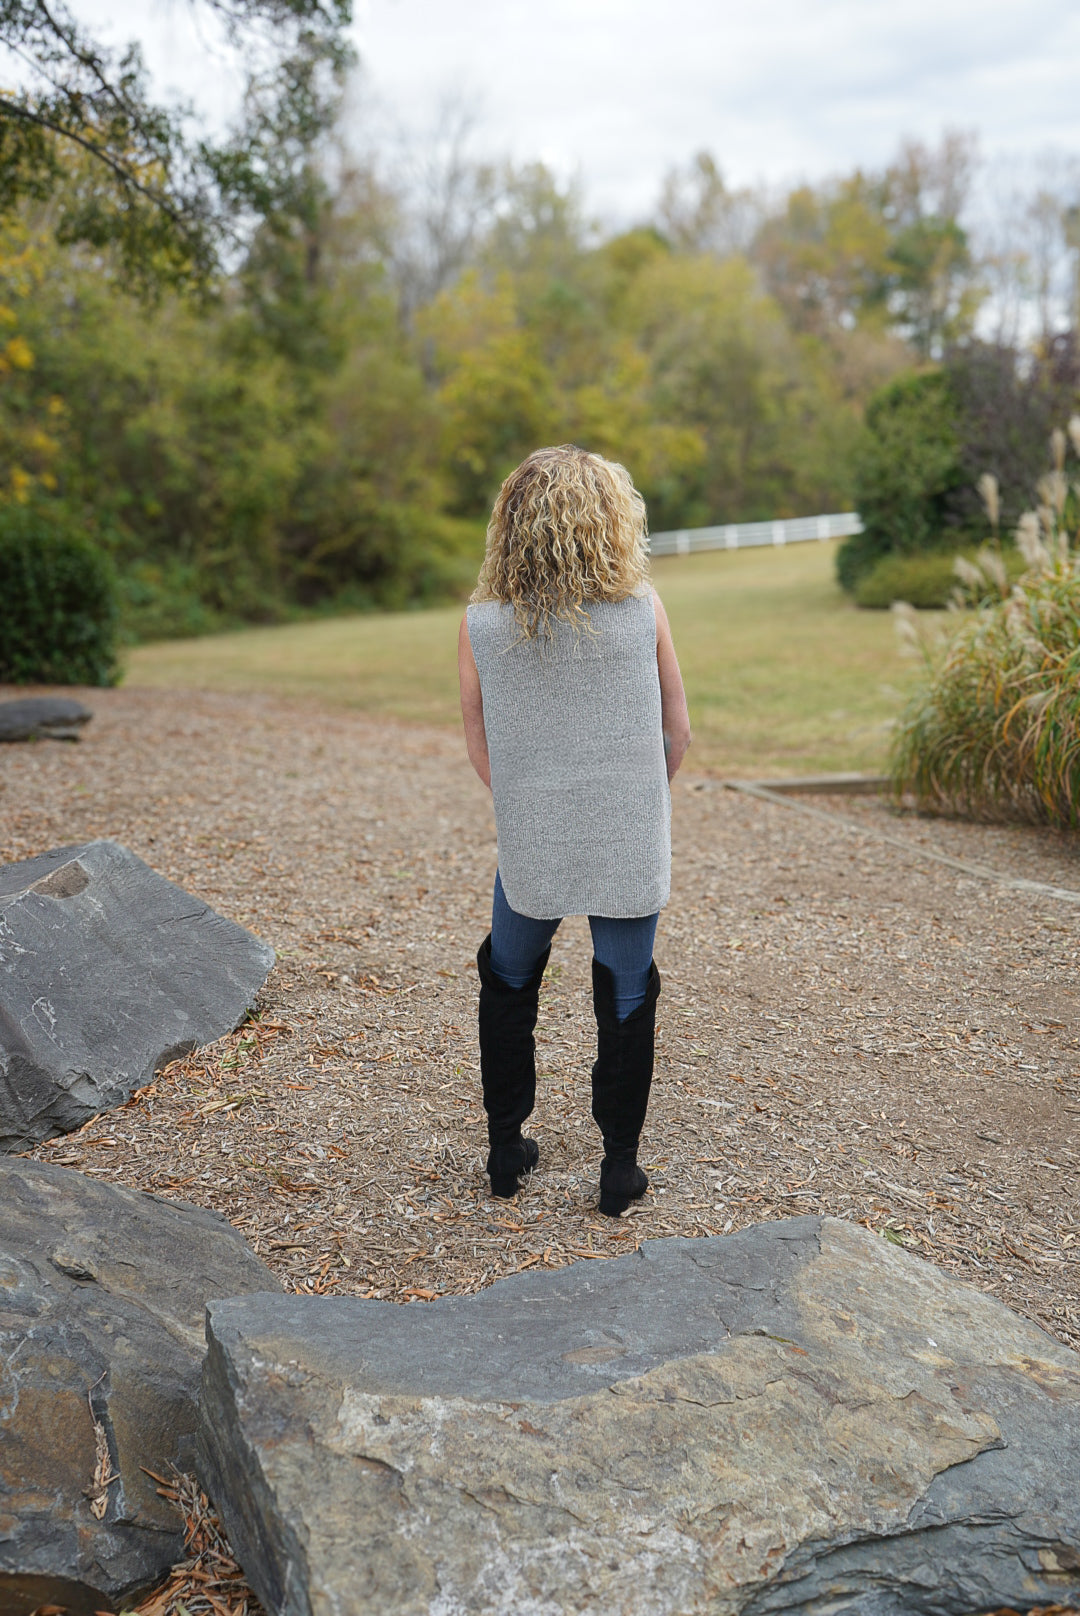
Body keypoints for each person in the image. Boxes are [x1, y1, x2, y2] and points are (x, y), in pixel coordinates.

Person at [458, 444, 691, 1216]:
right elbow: (676, 735)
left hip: (535, 836)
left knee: (509, 976)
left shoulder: (481, 625)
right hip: (627, 832)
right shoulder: (643, 609)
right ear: (611, 521)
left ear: (512, 525)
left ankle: (504, 1148)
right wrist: (628, 799)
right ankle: (619, 1169)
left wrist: (538, 802)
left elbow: (480, 746)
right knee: (625, 992)